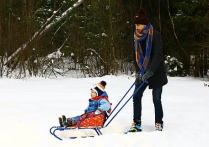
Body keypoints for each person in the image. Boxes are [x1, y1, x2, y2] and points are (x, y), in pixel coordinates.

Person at [127, 8, 168, 132]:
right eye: (135, 24)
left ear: (145, 24)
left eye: (138, 24)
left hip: (156, 72)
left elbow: (158, 55)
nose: (136, 27)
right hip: (142, 71)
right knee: (136, 96)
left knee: (156, 99)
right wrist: (139, 72)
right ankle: (137, 123)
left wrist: (150, 71)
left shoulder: (155, 35)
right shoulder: (136, 36)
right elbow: (135, 56)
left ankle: (159, 123)